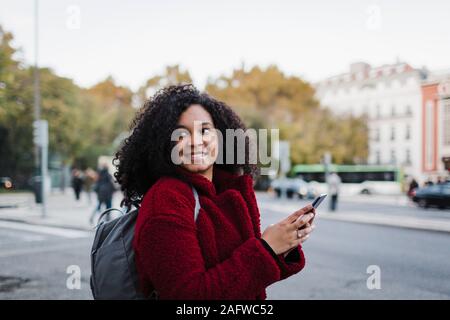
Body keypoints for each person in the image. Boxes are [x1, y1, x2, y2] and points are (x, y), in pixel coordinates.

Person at [113, 84, 316, 299]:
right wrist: (266, 248)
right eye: (181, 134)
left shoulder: (224, 190)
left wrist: (282, 243)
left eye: (205, 130)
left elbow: (244, 277)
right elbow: (189, 297)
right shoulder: (166, 199)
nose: (196, 142)